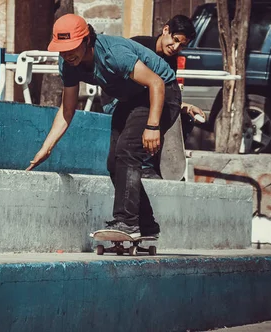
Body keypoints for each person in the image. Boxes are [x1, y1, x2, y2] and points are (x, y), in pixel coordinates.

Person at [26, 14, 188, 238]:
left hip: (163, 93)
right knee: (114, 162)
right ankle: (146, 225)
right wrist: (47, 147)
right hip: (132, 99)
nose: (67, 54)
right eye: (62, 49)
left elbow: (156, 83)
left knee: (128, 151)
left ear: (87, 41)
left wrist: (152, 126)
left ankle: (127, 223)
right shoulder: (68, 63)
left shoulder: (113, 53)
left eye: (71, 47)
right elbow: (67, 109)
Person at [102, 14, 206, 179]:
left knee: (180, 116)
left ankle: (163, 164)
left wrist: (185, 106)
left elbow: (164, 93)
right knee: (149, 109)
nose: (175, 47)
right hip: (116, 100)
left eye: (181, 45)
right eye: (175, 39)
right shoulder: (139, 44)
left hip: (142, 99)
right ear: (166, 30)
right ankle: (145, 165)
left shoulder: (170, 61)